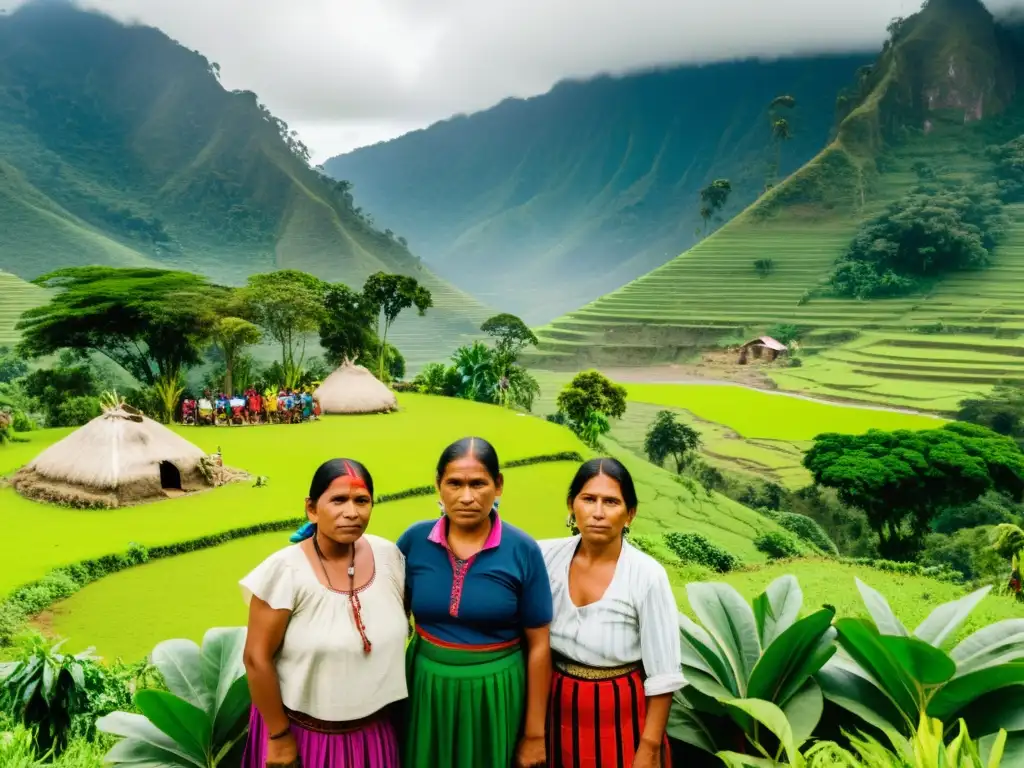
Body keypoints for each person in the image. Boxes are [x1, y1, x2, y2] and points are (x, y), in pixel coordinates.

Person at [239, 458, 408, 768]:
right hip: (306, 737)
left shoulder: (390, 557)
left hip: (375, 734)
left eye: (362, 501)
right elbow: (255, 657)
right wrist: (278, 737)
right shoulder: (285, 571)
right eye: (338, 500)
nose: (352, 512)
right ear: (312, 508)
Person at [397, 437, 552, 768]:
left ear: (498, 486)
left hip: (494, 692)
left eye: (478, 483)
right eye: (454, 483)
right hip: (426, 686)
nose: (466, 496)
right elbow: (391, 617)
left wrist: (535, 735)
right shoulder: (414, 542)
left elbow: (539, 645)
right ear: (438, 485)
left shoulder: (522, 550)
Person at [540, 457, 684, 768]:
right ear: (571, 505)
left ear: (630, 513)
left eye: (611, 502)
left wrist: (648, 748)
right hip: (557, 706)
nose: (598, 513)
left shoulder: (646, 576)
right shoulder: (545, 557)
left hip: (620, 713)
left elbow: (664, 676)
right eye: (588, 499)